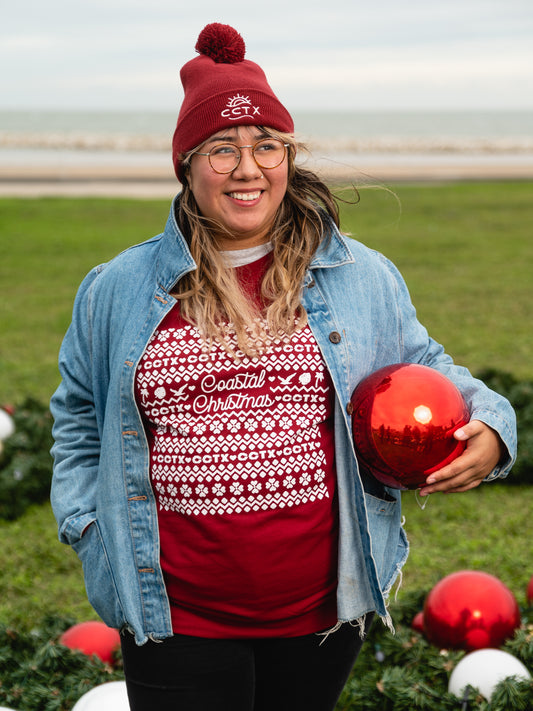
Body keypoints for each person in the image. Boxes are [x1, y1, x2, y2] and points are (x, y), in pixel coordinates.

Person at [50, 22, 516, 711]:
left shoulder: (360, 276)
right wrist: (88, 527)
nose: (247, 169)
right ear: (186, 165)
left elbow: (422, 363)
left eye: (265, 146)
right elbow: (80, 414)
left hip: (320, 611)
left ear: (287, 157)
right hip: (172, 612)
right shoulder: (116, 287)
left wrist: (491, 423)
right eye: (221, 150)